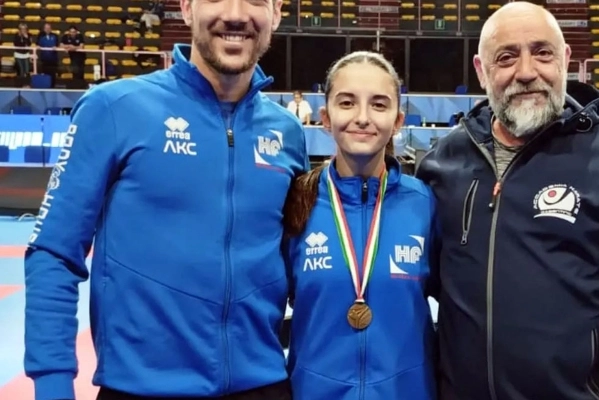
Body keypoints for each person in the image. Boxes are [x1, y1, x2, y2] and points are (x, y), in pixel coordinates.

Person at [24, 0, 307, 399]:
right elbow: (53, 252)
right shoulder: (113, 108)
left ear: (276, 13)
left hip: (263, 386)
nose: (236, 13)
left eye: (256, 0)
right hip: (140, 388)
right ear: (187, 7)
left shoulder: (287, 132)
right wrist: (52, 383)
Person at [416, 2, 599, 400]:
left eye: (542, 52)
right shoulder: (442, 165)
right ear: (481, 71)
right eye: (507, 57)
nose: (526, 72)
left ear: (565, 60)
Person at [282, 51, 438, 400]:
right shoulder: (295, 202)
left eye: (379, 105)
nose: (363, 118)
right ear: (325, 117)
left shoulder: (424, 204)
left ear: (398, 121)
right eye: (347, 102)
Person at [36, 22, 60, 87]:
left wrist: (56, 47)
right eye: (46, 28)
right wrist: (38, 46)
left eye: (49, 28)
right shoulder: (40, 36)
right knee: (45, 74)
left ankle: (53, 86)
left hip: (53, 60)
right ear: (44, 29)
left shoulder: (55, 36)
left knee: (53, 74)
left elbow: (58, 45)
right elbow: (37, 44)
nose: (47, 29)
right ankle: (46, 86)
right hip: (44, 59)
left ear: (51, 29)